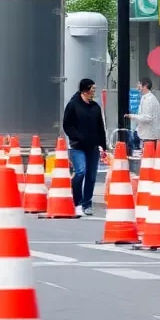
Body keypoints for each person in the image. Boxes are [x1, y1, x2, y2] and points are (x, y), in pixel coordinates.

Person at [62, 77, 107, 216]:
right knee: (80, 171)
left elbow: (101, 127)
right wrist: (77, 136)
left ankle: (87, 203)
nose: (94, 90)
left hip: (93, 147)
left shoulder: (95, 107)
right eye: (92, 88)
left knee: (91, 176)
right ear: (85, 90)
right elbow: (67, 125)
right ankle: (77, 202)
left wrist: (103, 146)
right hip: (77, 146)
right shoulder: (73, 105)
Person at [125, 78, 160, 153]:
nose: (137, 87)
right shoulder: (145, 98)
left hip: (149, 136)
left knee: (148, 159)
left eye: (139, 84)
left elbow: (147, 117)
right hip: (146, 135)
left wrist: (132, 116)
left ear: (145, 86)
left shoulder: (149, 99)